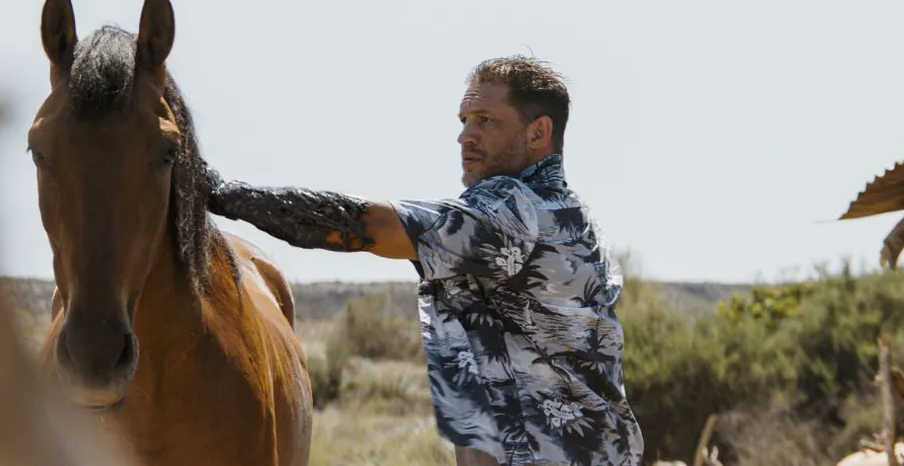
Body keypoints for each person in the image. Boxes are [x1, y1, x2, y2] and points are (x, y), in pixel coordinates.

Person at [202, 55, 644, 466]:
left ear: (538, 133)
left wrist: (221, 194)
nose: (465, 136)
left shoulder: (515, 210)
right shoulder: (570, 215)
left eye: (486, 121)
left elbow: (368, 225)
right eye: (464, 121)